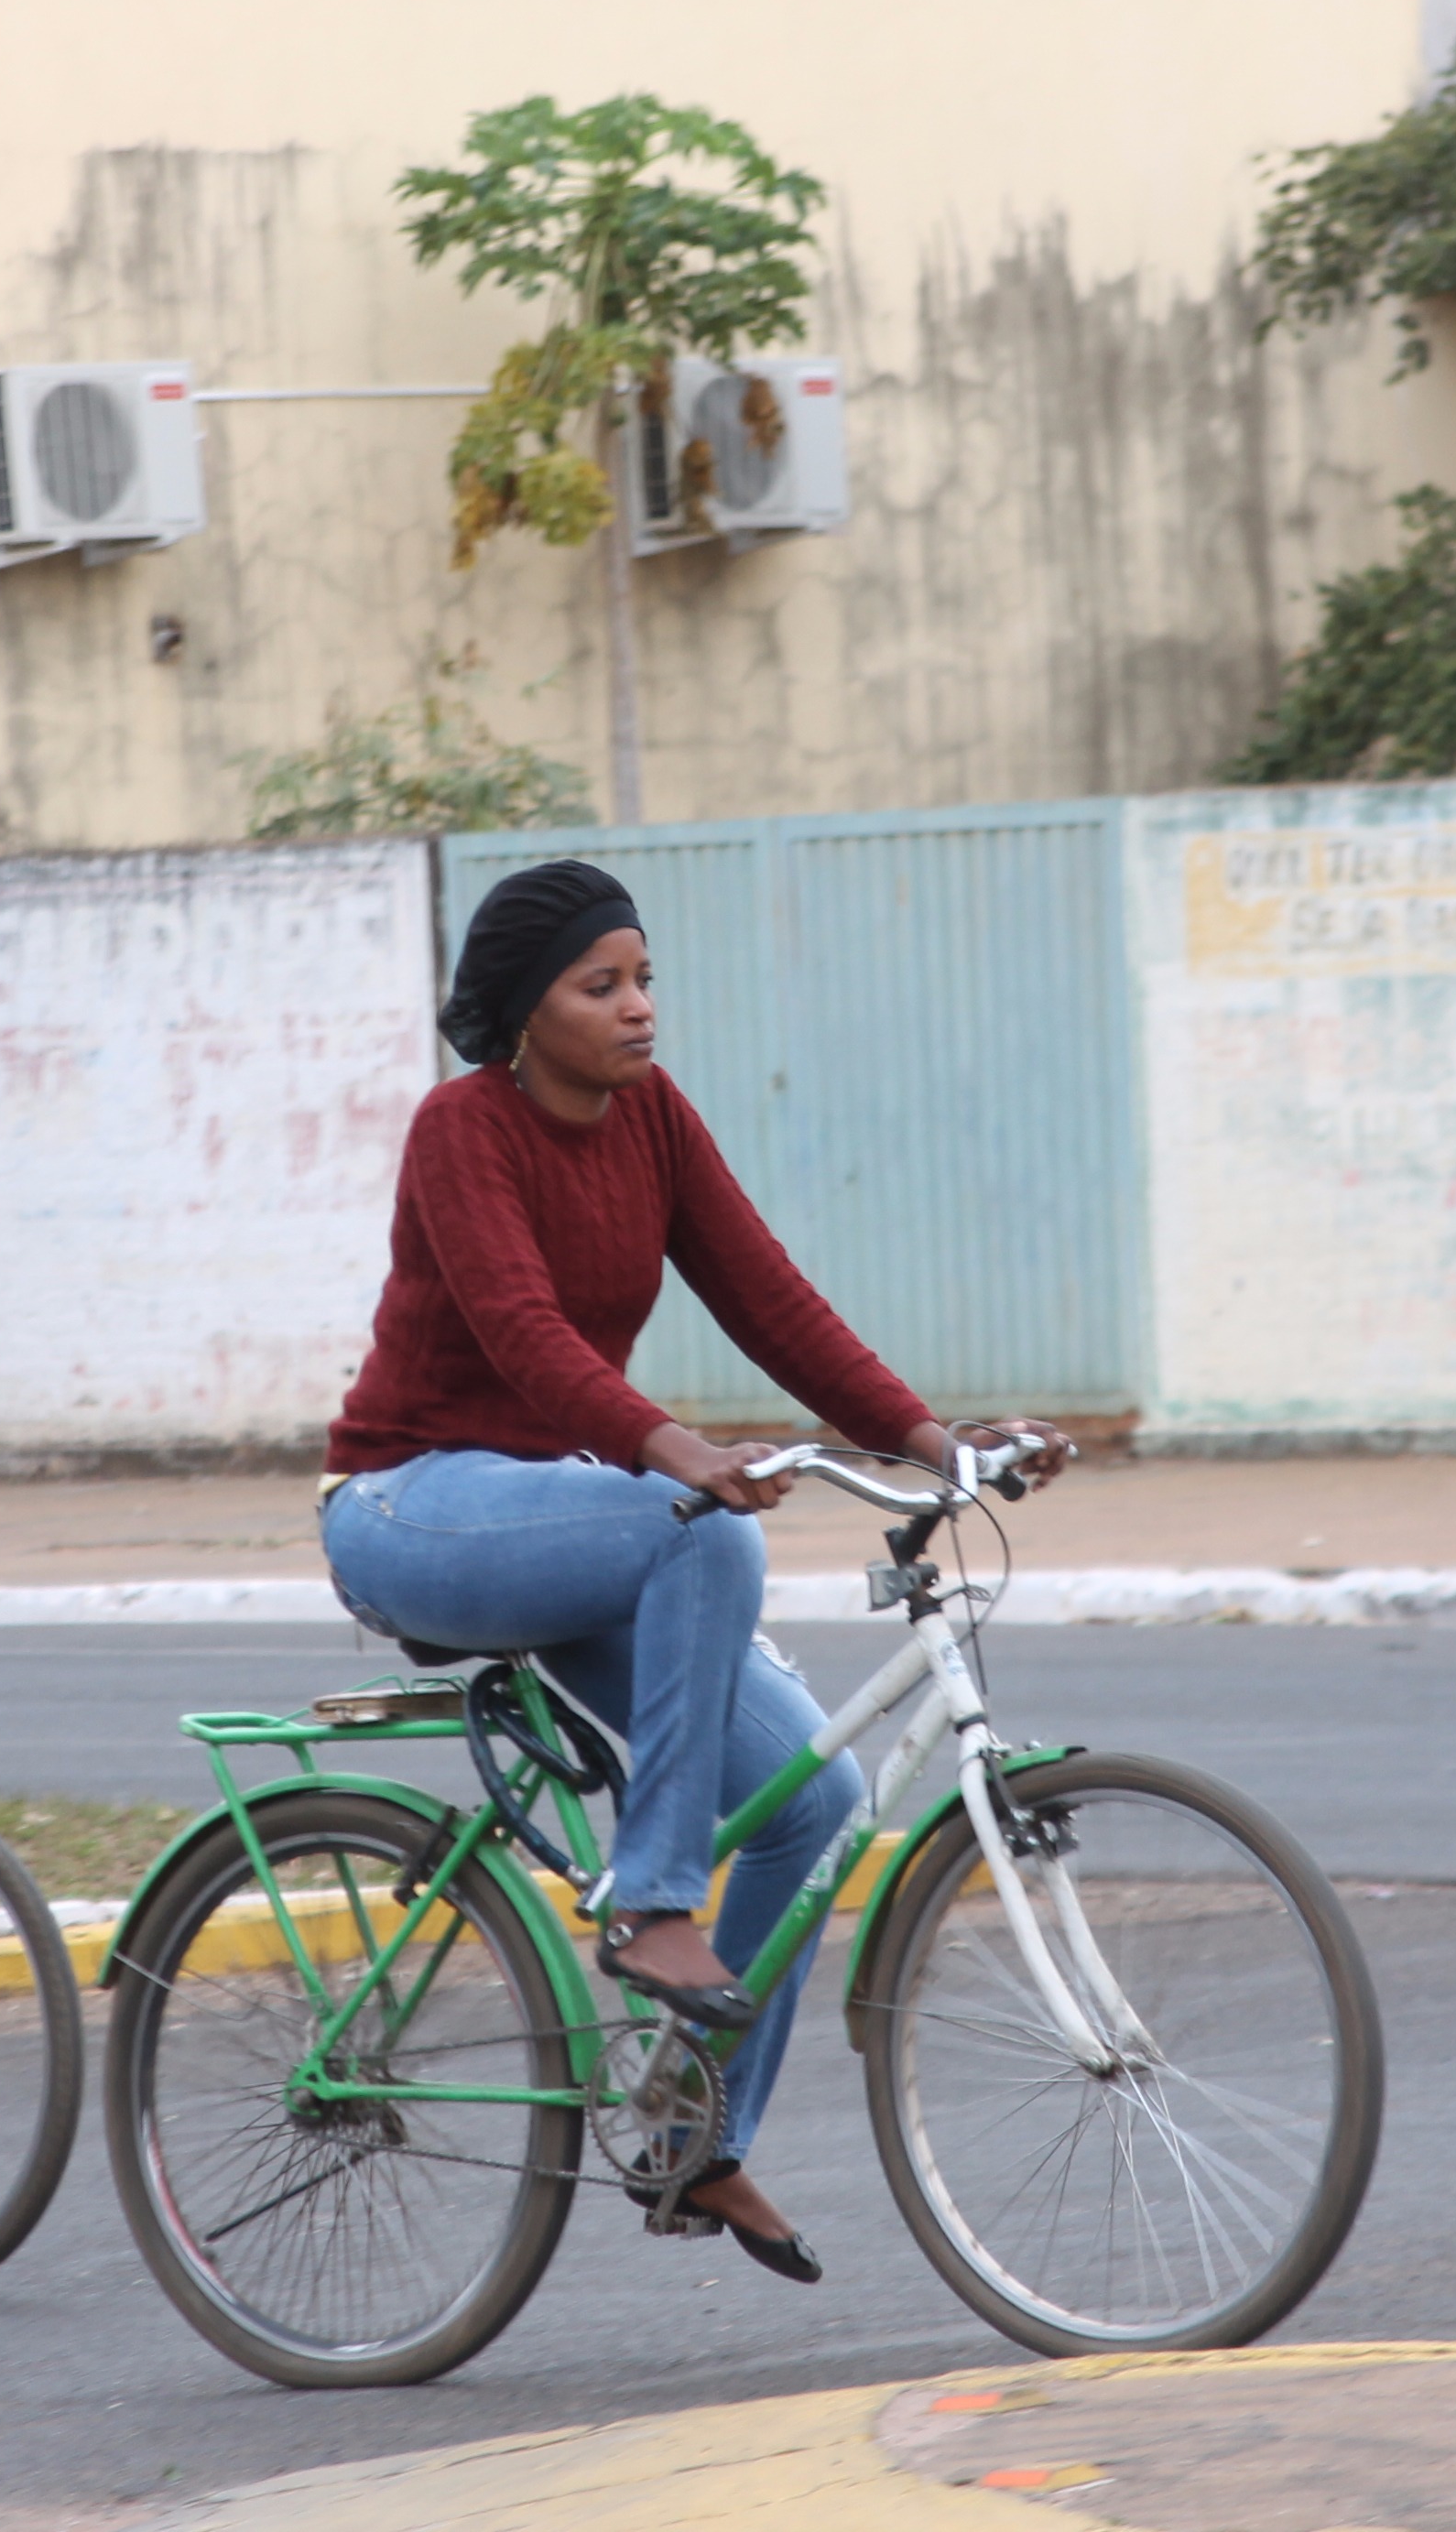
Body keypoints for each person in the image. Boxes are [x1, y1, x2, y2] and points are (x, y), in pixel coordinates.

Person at [320, 860, 1070, 2283]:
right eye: (601, 987)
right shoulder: (458, 1131)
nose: (639, 1010)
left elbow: (770, 1297)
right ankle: (651, 1906)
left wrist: (931, 1441)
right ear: (525, 1013)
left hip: (565, 1508)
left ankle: (687, 2138)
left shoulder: (652, 1121)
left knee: (812, 1806)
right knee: (707, 1525)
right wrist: (670, 1447)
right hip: (410, 1505)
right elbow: (526, 1332)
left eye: (645, 979)